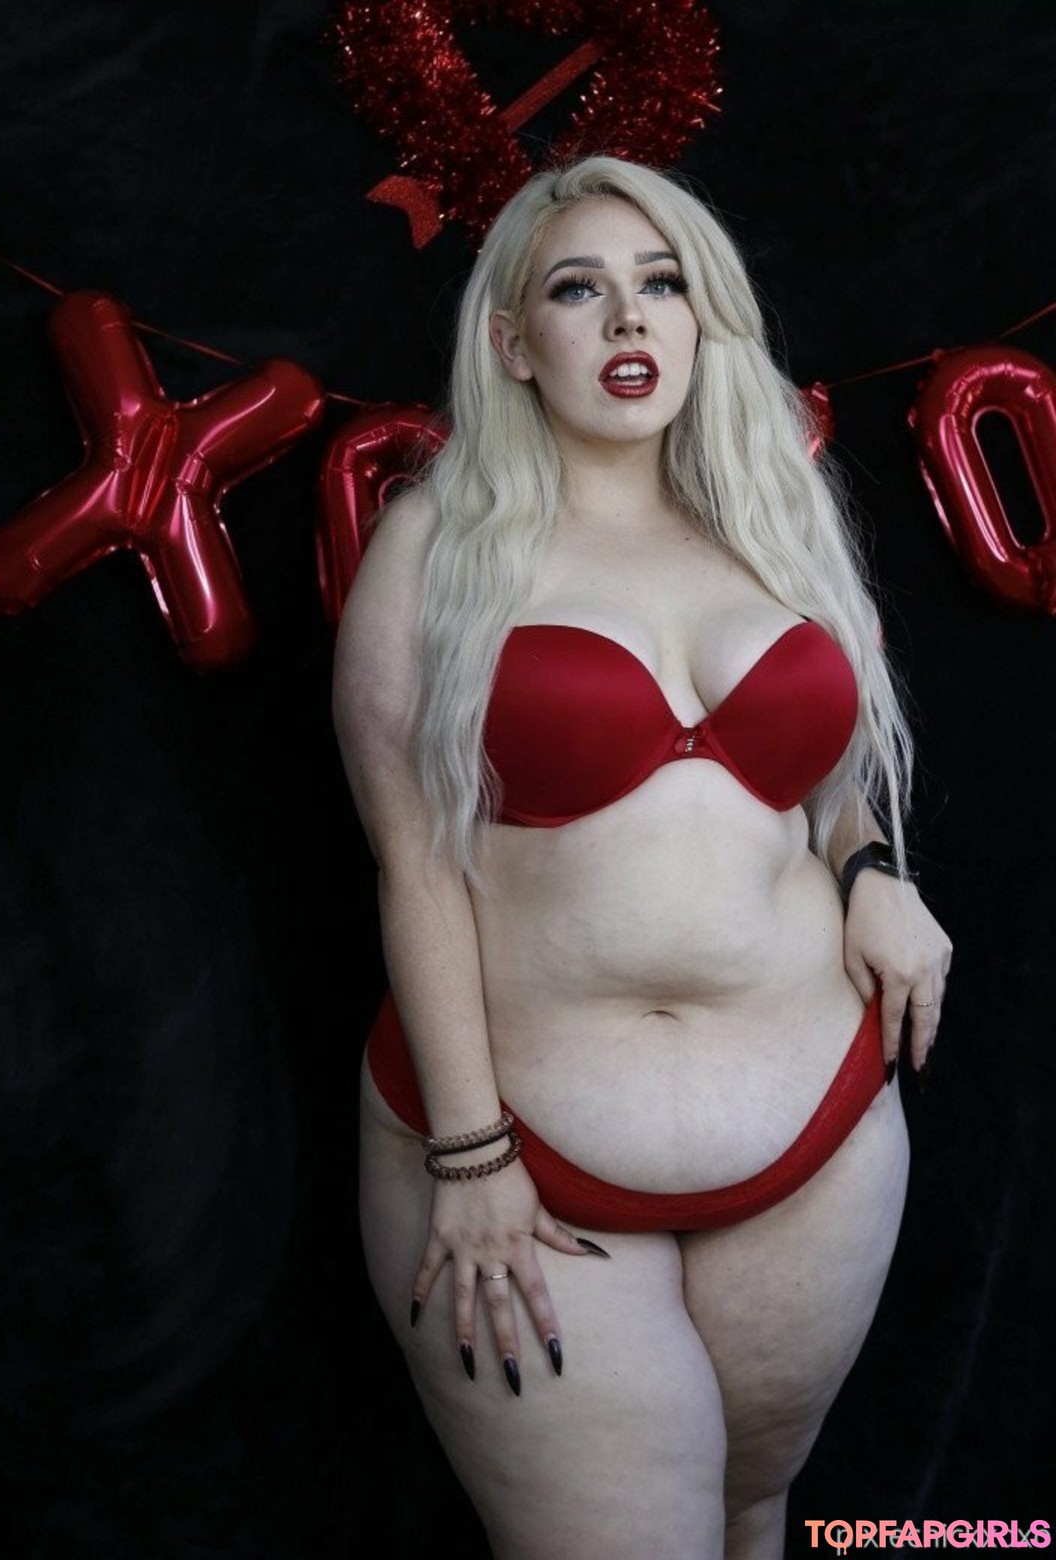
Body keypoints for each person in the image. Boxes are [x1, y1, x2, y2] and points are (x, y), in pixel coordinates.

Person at [331, 153, 952, 1560]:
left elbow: (823, 780)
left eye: (661, 284)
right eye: (580, 289)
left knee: (752, 1521)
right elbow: (412, 865)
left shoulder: (772, 520)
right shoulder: (434, 548)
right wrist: (471, 1154)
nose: (628, 318)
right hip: (526, 1158)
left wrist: (873, 874)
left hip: (821, 1129)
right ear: (513, 344)